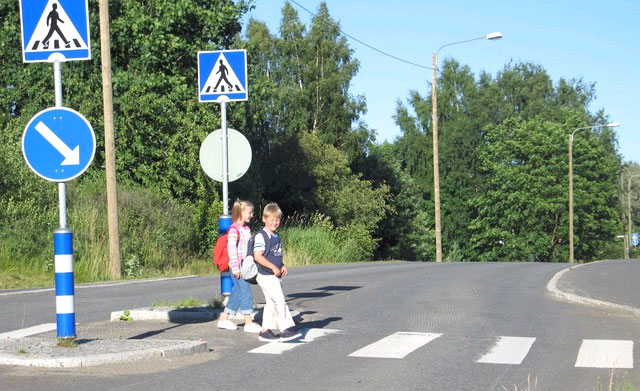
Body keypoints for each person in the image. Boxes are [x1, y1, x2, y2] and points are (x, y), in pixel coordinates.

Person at [253, 203, 301, 342]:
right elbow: (258, 256)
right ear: (264, 219)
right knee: (279, 301)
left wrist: (282, 265)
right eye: (272, 219)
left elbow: (275, 255)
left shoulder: (276, 236)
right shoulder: (262, 236)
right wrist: (273, 267)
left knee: (270, 303)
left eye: (277, 220)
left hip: (273, 275)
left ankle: (265, 331)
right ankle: (284, 329)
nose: (275, 223)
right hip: (266, 275)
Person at [216, 199, 261, 333]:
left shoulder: (245, 229)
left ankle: (224, 318)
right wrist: (235, 268)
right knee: (245, 292)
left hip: (244, 267)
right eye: (250, 212)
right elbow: (232, 250)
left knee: (237, 292)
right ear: (240, 213)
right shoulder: (234, 230)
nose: (252, 215)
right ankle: (248, 322)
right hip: (237, 267)